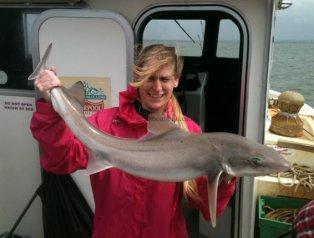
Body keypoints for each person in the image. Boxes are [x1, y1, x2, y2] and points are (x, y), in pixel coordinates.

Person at [30, 44, 237, 238]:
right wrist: (51, 106)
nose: (157, 87)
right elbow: (60, 161)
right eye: (150, 78)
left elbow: (203, 204)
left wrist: (225, 181)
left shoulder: (189, 132)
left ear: (176, 80)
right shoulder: (105, 123)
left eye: (164, 79)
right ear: (138, 77)